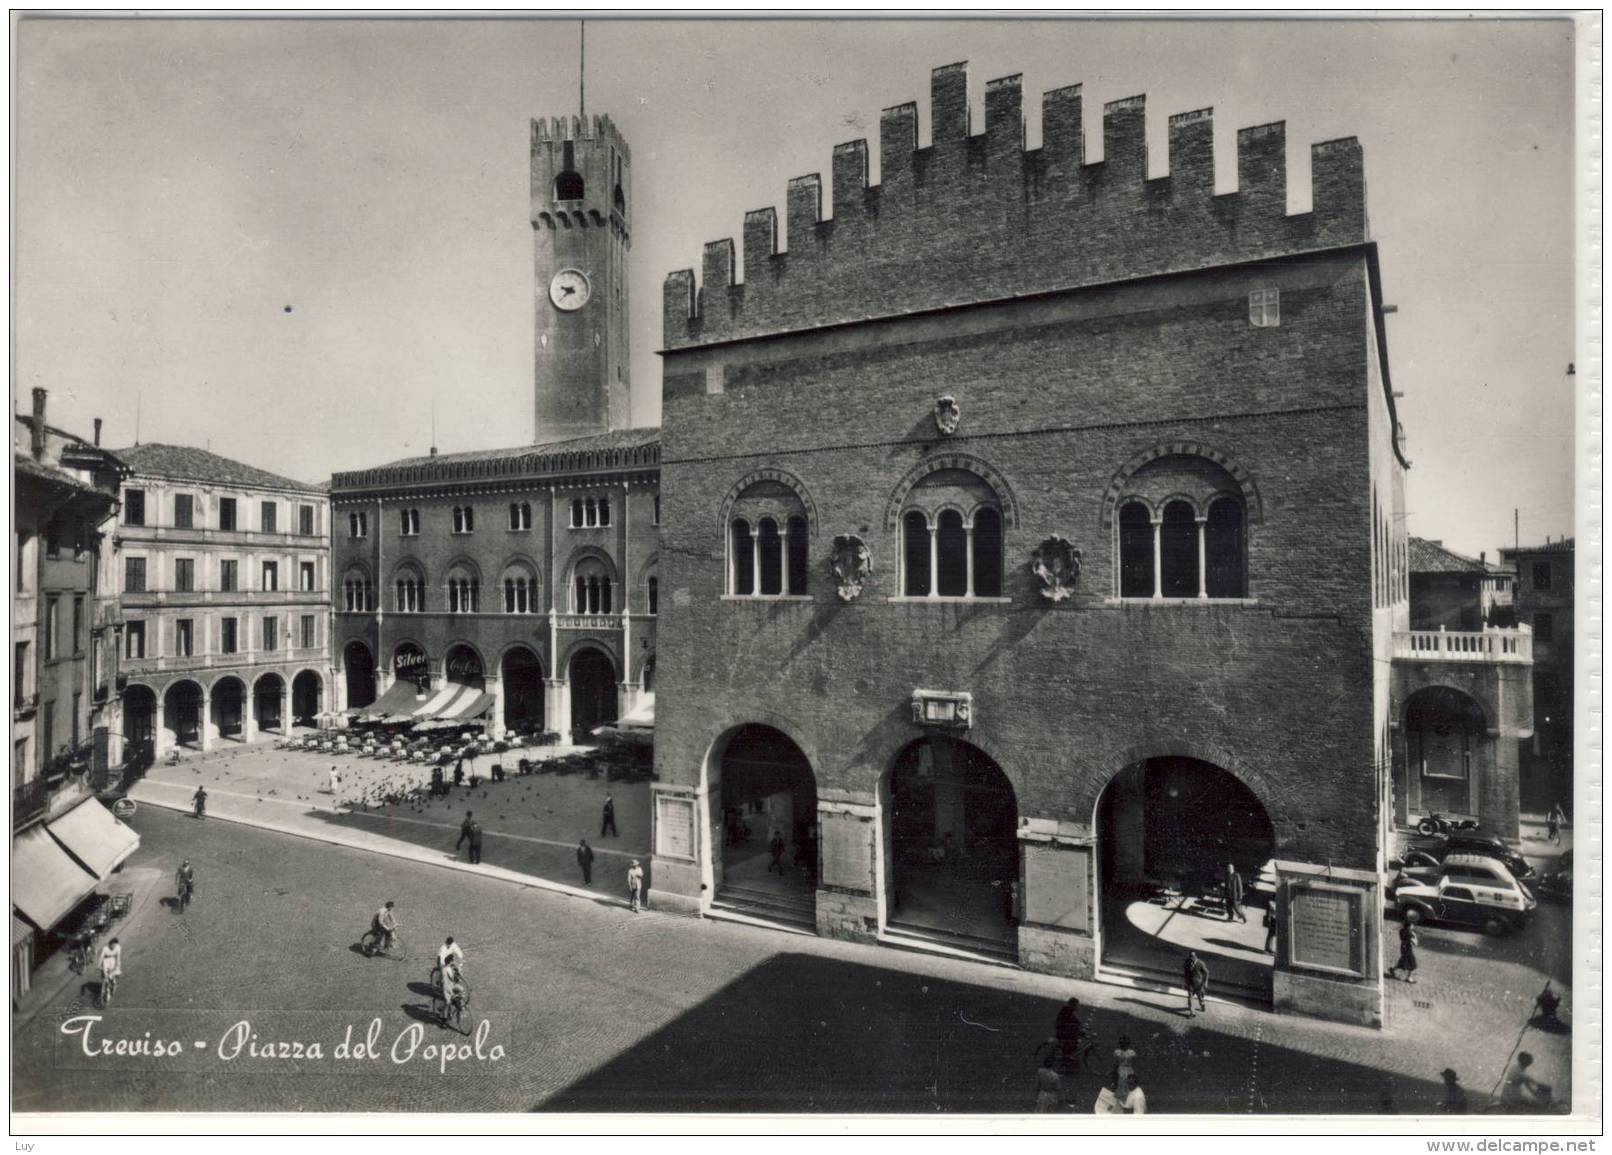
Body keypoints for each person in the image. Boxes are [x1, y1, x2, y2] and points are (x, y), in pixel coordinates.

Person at [1053, 997, 1085, 1069]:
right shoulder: (1067, 1010)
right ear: (1073, 1005)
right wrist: (1079, 1030)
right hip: (1061, 1032)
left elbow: (1075, 1020)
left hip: (1063, 1030)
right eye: (1077, 1005)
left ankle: (1068, 1057)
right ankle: (1065, 1063)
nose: (1078, 1006)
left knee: (1074, 1040)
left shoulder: (1068, 1010)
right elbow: (1070, 1024)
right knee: (1071, 1043)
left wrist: (1081, 1025)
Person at [1183, 950, 1209, 1016]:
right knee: (1190, 997)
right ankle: (1192, 1012)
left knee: (1200, 997)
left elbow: (1207, 972)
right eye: (1190, 956)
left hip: (1199, 984)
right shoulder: (1187, 962)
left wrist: (1205, 982)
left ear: (1195, 956)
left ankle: (1202, 1005)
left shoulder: (1200, 963)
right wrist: (1185, 982)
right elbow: (1186, 973)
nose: (1191, 958)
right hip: (1190, 983)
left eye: (1193, 956)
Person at [97, 937, 123, 1003]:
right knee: (105, 975)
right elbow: (101, 957)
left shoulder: (118, 947)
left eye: (115, 945)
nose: (114, 946)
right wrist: (99, 965)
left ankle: (113, 983)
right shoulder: (105, 948)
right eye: (113, 945)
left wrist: (117, 966)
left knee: (112, 974)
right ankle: (106, 990)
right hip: (105, 961)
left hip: (113, 961)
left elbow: (118, 957)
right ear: (110, 944)